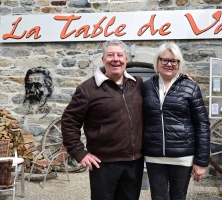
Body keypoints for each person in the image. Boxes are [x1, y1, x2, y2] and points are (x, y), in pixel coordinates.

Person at [61, 39, 144, 200]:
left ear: (126, 59)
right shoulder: (87, 89)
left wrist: (181, 79)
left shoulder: (137, 84)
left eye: (120, 55)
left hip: (134, 163)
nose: (115, 59)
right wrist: (79, 152)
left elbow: (162, 85)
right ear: (103, 59)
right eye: (110, 55)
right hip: (104, 164)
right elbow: (69, 121)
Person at [141, 42, 211, 200]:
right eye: (164, 60)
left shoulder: (190, 87)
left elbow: (202, 125)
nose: (169, 64)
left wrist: (201, 162)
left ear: (179, 64)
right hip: (154, 156)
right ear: (157, 62)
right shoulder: (145, 87)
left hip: (182, 156)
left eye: (174, 61)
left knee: (178, 197)